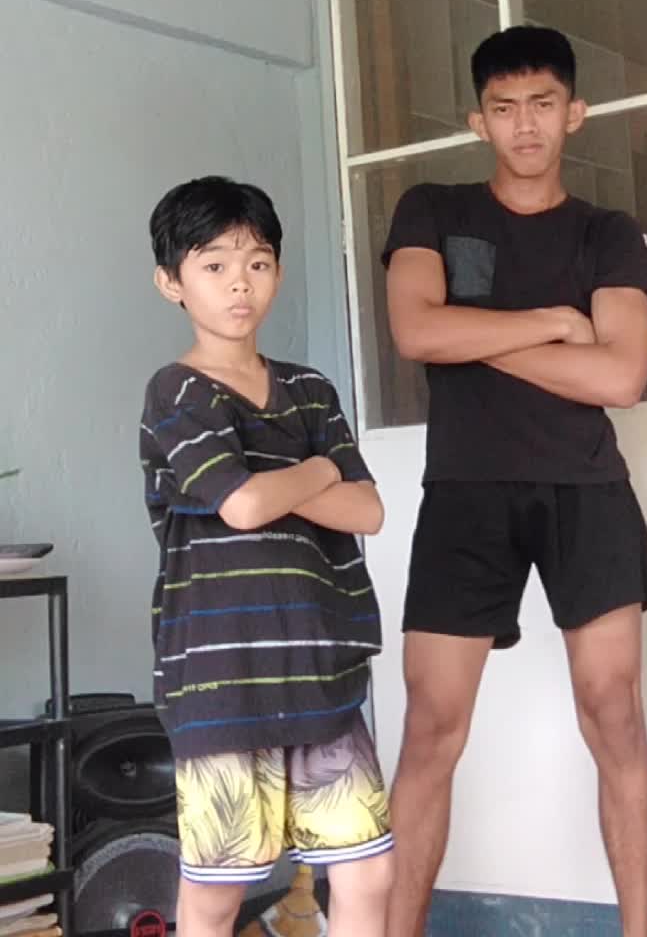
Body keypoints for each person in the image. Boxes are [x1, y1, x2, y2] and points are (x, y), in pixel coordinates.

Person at [382, 25, 647, 937]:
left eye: (543, 104)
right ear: (480, 121)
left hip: (586, 491)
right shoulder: (430, 208)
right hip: (465, 491)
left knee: (615, 715)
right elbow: (416, 332)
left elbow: (621, 376)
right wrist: (551, 324)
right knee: (431, 726)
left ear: (574, 113)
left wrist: (471, 334)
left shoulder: (607, 233)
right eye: (504, 108)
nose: (525, 124)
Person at [140, 176, 393, 937]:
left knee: (368, 872)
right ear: (171, 282)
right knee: (219, 891)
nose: (238, 283)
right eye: (214, 265)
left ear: (278, 273)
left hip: (321, 671)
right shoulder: (176, 392)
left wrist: (277, 483)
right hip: (224, 682)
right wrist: (317, 471)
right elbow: (242, 507)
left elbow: (369, 510)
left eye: (256, 263)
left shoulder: (310, 390)